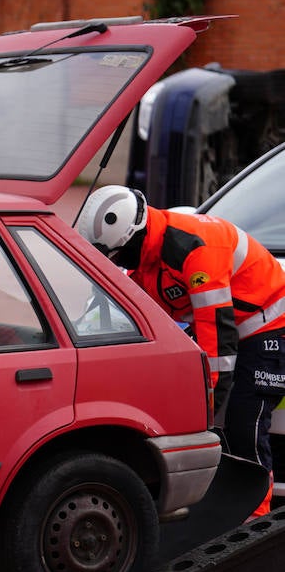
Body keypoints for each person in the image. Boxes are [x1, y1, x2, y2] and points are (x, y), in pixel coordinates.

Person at [78, 185, 285, 517]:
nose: (118, 263)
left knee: (245, 422)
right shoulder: (147, 257)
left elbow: (217, 334)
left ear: (132, 237)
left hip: (270, 329)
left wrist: (207, 400)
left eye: (117, 255)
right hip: (232, 333)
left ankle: (255, 519)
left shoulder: (196, 248)